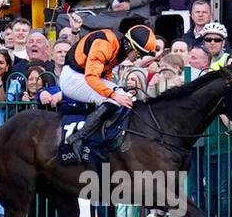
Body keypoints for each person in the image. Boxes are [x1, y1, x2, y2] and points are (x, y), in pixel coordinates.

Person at [58, 25, 162, 164]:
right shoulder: (105, 43)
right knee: (116, 99)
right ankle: (78, 137)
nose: (139, 58)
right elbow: (92, 77)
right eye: (139, 54)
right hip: (73, 77)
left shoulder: (121, 48)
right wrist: (113, 94)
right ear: (131, 46)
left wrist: (114, 92)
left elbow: (104, 73)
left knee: (126, 96)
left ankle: (105, 137)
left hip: (83, 76)